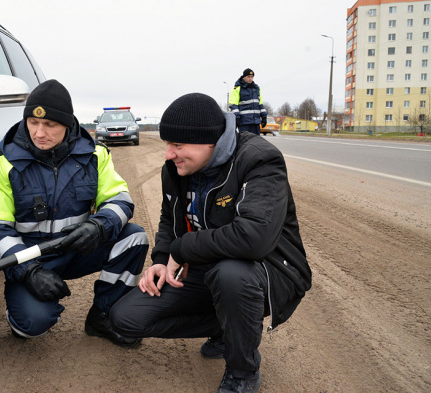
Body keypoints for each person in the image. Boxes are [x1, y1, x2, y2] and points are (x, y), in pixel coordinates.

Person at [110, 93, 312, 392]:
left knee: (230, 274)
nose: (169, 154)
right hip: (204, 268)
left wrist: (182, 249)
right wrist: (162, 261)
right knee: (125, 319)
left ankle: (243, 370)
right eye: (168, 144)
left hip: (265, 271)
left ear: (210, 142)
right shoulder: (177, 169)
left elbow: (253, 238)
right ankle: (229, 326)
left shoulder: (259, 160)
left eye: (178, 145)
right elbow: (169, 218)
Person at [0, 79, 148, 347]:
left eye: (50, 125)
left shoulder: (95, 155)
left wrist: (99, 226)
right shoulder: (3, 162)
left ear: (68, 125)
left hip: (78, 248)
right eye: (33, 122)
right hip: (32, 257)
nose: (39, 133)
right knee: (30, 327)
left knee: (134, 237)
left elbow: (119, 199)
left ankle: (103, 315)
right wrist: (29, 271)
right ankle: (20, 311)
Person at [229, 68, 267, 135]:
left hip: (255, 123)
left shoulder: (256, 88)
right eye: (248, 77)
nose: (250, 78)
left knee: (256, 143)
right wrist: (237, 118)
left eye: (252, 77)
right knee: (245, 143)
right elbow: (233, 105)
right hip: (244, 123)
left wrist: (264, 116)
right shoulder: (237, 89)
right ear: (243, 77)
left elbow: (260, 103)